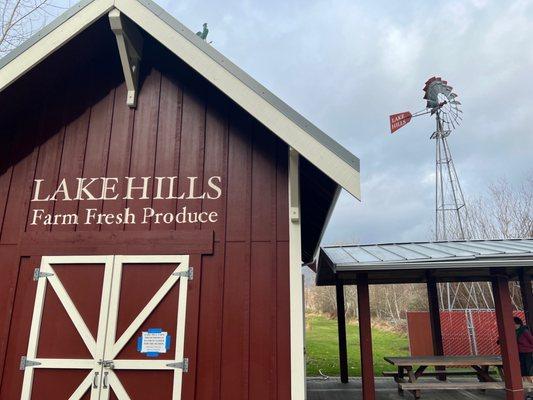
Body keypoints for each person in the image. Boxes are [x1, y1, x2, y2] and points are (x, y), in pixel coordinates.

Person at [514, 316, 533, 398]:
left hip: (528, 353)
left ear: (517, 323)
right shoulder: (515, 331)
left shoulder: (524, 331)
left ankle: (531, 388)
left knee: (529, 372)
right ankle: (528, 391)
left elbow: (532, 340)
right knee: (523, 372)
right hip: (520, 353)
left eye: (513, 323)